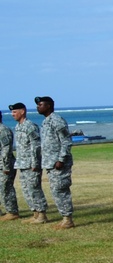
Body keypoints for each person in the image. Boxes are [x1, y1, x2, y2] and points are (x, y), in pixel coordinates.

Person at [35, 96, 74, 229]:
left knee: (61, 189)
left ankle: (67, 219)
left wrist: (61, 159)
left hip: (59, 163)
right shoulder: (46, 122)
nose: (38, 107)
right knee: (56, 190)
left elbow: (66, 141)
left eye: (40, 105)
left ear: (49, 106)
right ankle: (65, 218)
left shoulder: (57, 120)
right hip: (50, 163)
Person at [9, 102, 46, 223]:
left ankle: (42, 215)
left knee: (35, 189)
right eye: (12, 112)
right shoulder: (18, 127)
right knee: (26, 190)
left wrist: (35, 163)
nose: (12, 114)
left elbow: (36, 146)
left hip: (31, 164)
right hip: (22, 164)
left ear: (22, 111)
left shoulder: (30, 126)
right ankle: (35, 213)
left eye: (14, 112)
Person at [0, 110, 18, 220]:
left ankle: (12, 211)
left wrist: (6, 166)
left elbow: (6, 150)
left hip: (4, 164)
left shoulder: (3, 130)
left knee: (6, 188)